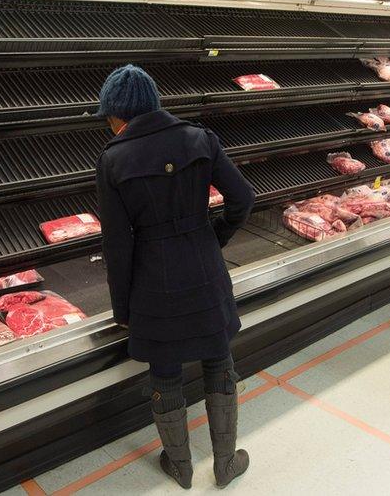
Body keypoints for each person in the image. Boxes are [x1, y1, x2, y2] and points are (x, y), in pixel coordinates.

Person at [95, 65, 255, 489]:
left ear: (120, 114)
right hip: (205, 268)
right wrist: (214, 236)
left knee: (164, 372)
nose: (109, 125)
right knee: (219, 360)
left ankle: (180, 467)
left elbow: (117, 243)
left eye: (109, 117)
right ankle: (226, 464)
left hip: (152, 281)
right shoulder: (200, 139)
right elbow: (242, 198)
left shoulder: (113, 159)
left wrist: (122, 308)